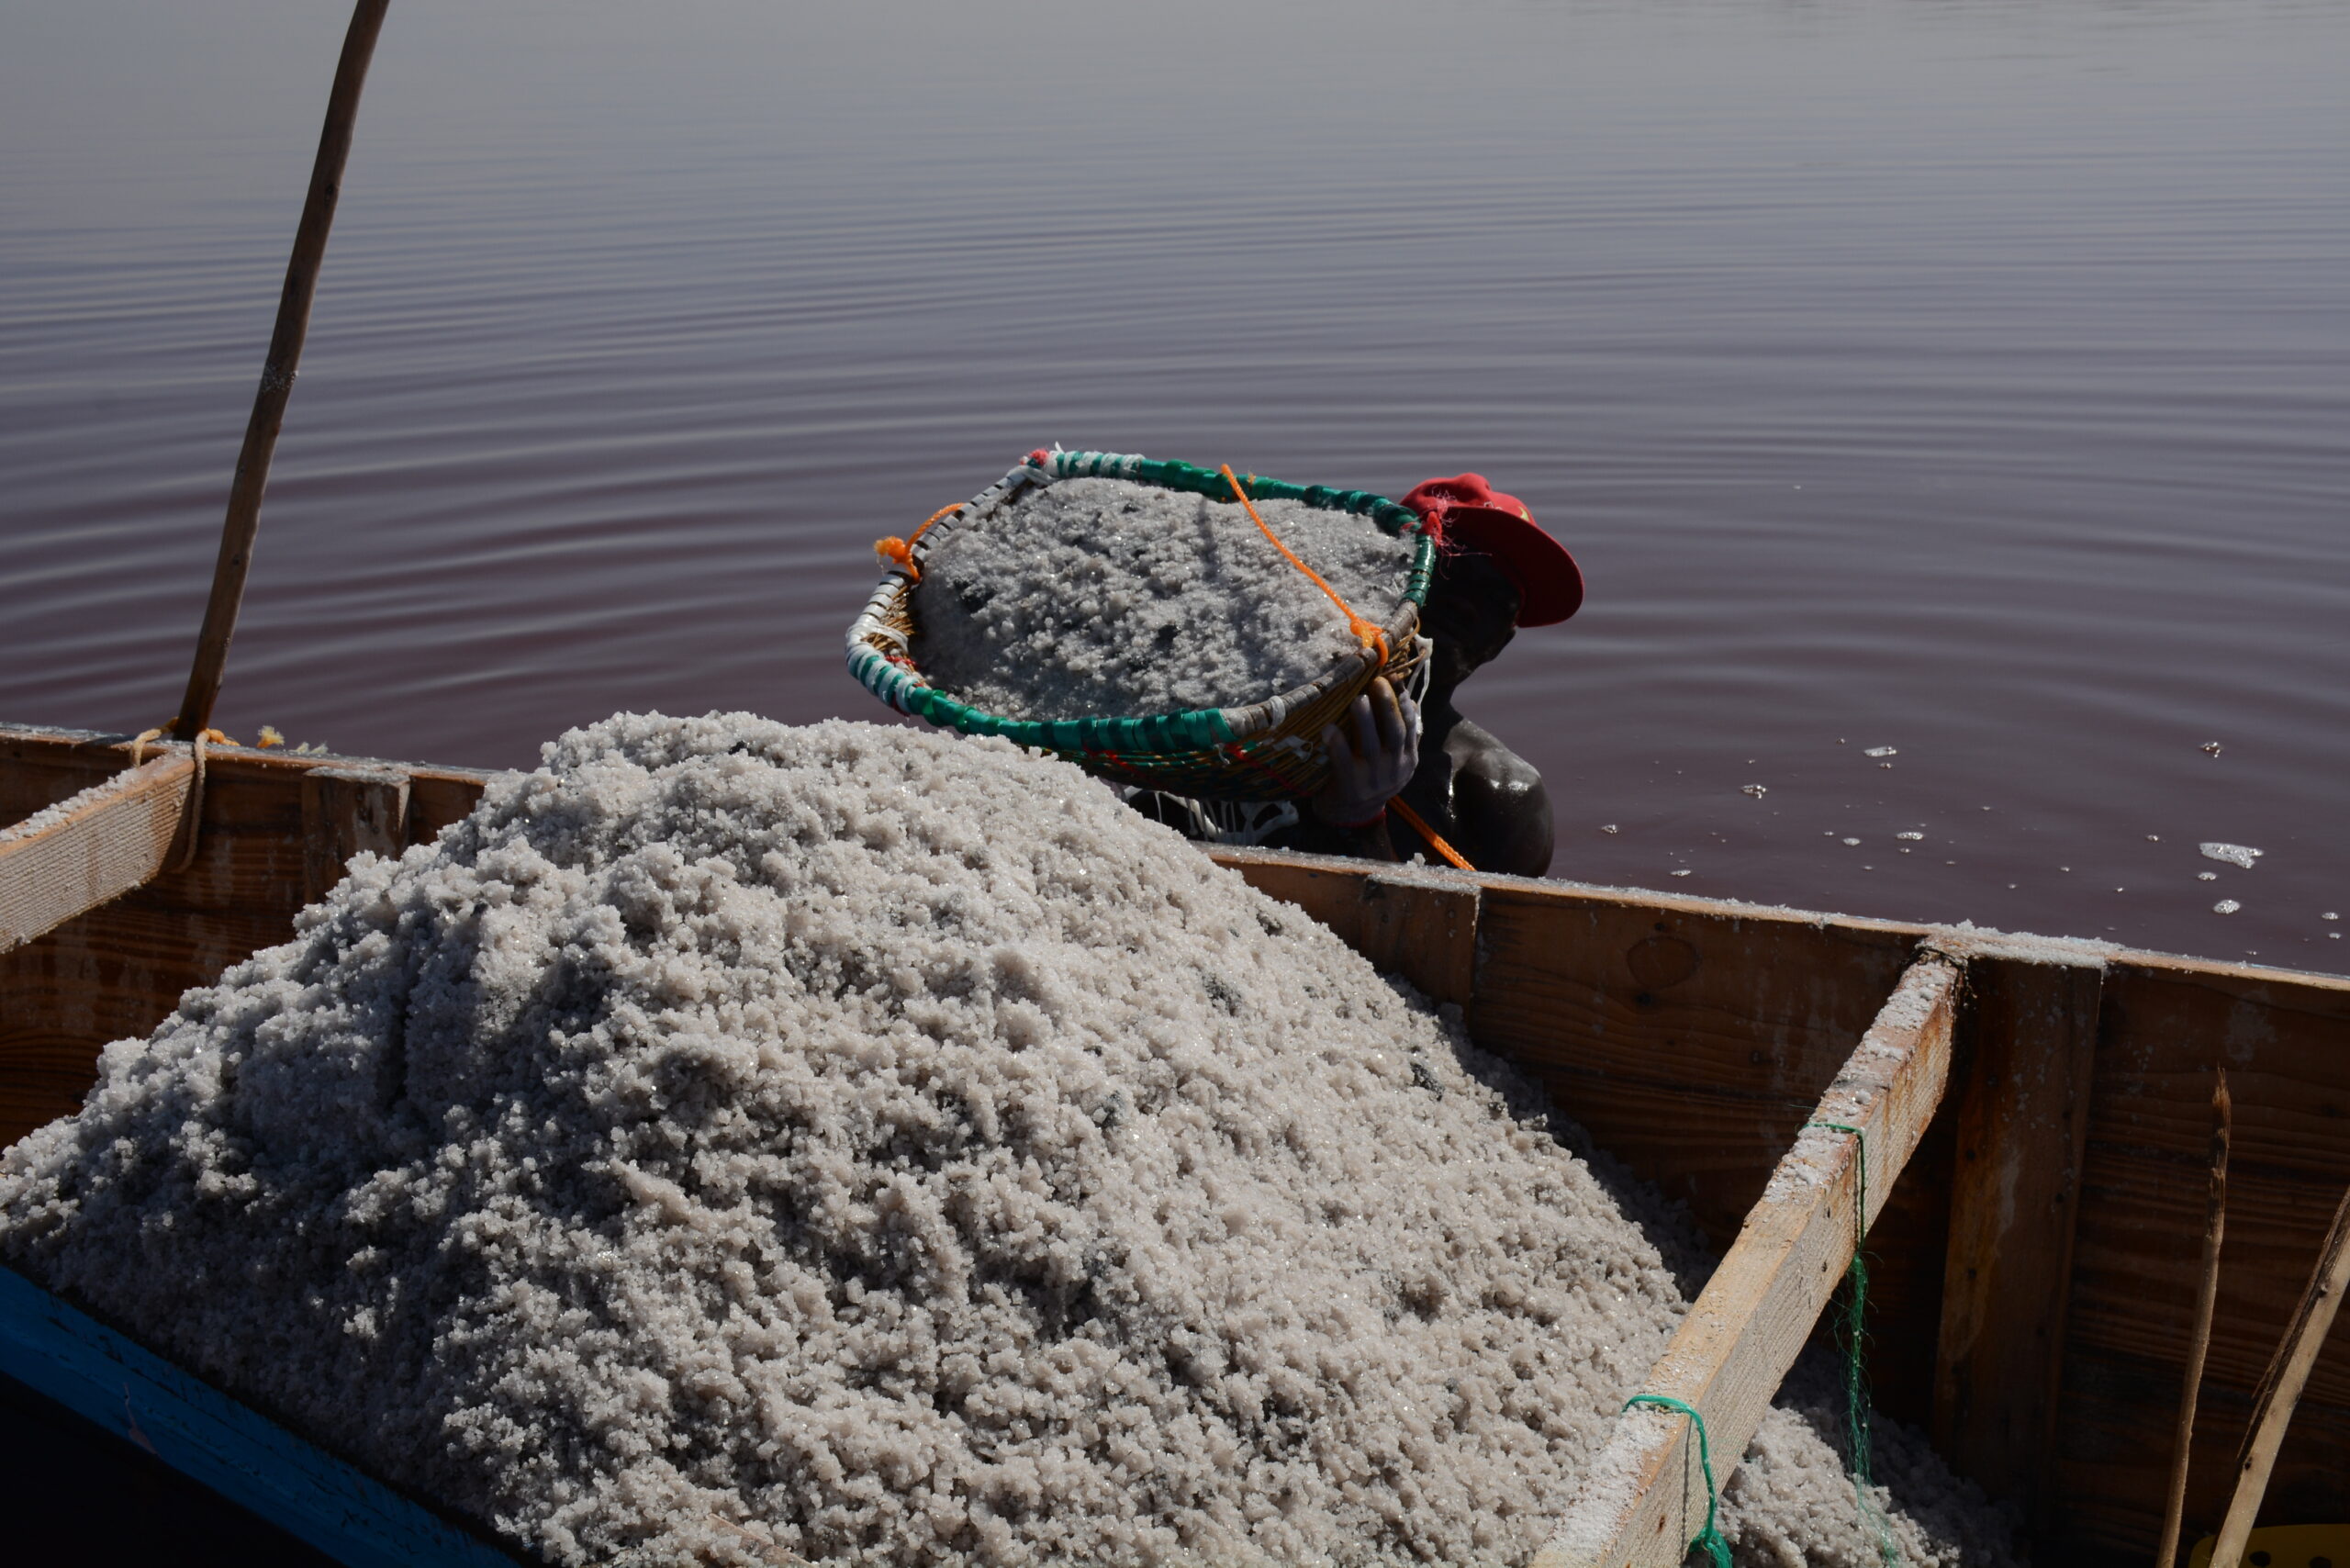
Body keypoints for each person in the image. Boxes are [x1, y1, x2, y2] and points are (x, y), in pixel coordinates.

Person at [1129, 474, 1582, 876]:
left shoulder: (1498, 794)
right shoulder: (1234, 711)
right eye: (1449, 567)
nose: (1466, 603)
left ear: (1502, 642)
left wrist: (1357, 820)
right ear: (1377, 572)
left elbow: (1460, 958)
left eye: (1496, 598)